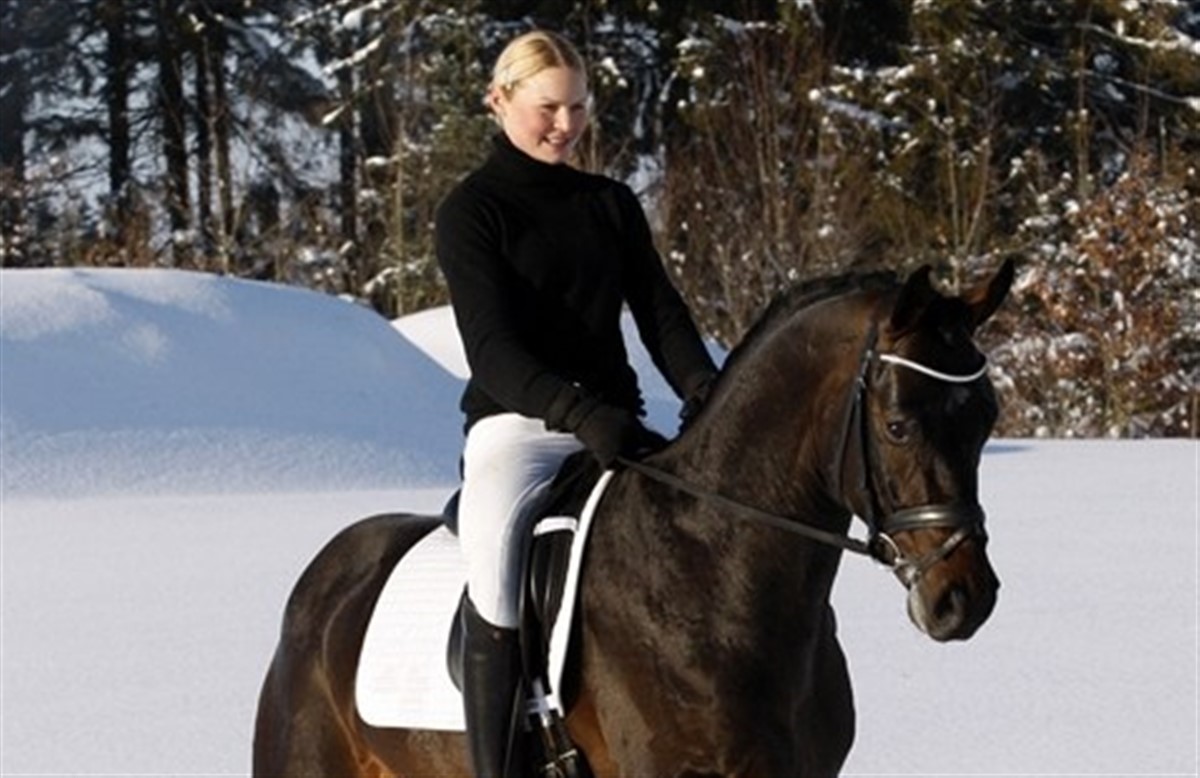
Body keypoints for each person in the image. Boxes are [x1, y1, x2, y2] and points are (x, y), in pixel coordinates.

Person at [434, 29, 718, 777]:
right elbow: (493, 352)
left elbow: (661, 314)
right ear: (499, 100)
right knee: (496, 582)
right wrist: (581, 414)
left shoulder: (610, 204)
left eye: (579, 107)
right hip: (518, 433)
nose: (566, 124)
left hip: (618, 429)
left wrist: (704, 388)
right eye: (548, 108)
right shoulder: (472, 211)